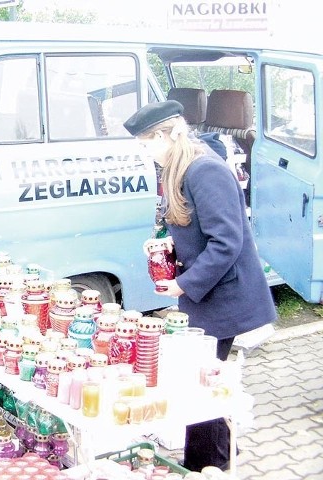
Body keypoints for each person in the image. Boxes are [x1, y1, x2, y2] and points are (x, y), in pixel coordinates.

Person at [124, 100, 276, 472]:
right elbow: (191, 228)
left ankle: (211, 466)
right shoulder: (177, 165)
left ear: (165, 135)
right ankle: (207, 459)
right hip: (206, 293)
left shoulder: (205, 169)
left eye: (146, 144)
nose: (145, 152)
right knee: (202, 382)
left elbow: (227, 241)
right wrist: (164, 246)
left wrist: (185, 284)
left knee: (206, 385)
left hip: (223, 294)